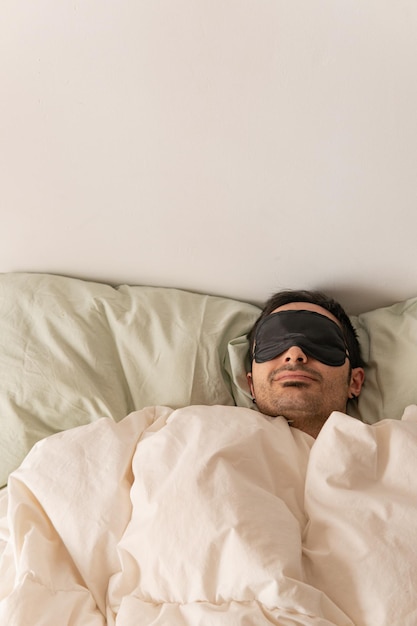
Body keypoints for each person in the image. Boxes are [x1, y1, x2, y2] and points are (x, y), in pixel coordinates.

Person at [246, 289, 365, 438]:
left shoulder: (393, 445)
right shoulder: (211, 437)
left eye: (321, 342)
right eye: (273, 342)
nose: (294, 354)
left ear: (354, 382)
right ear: (251, 385)